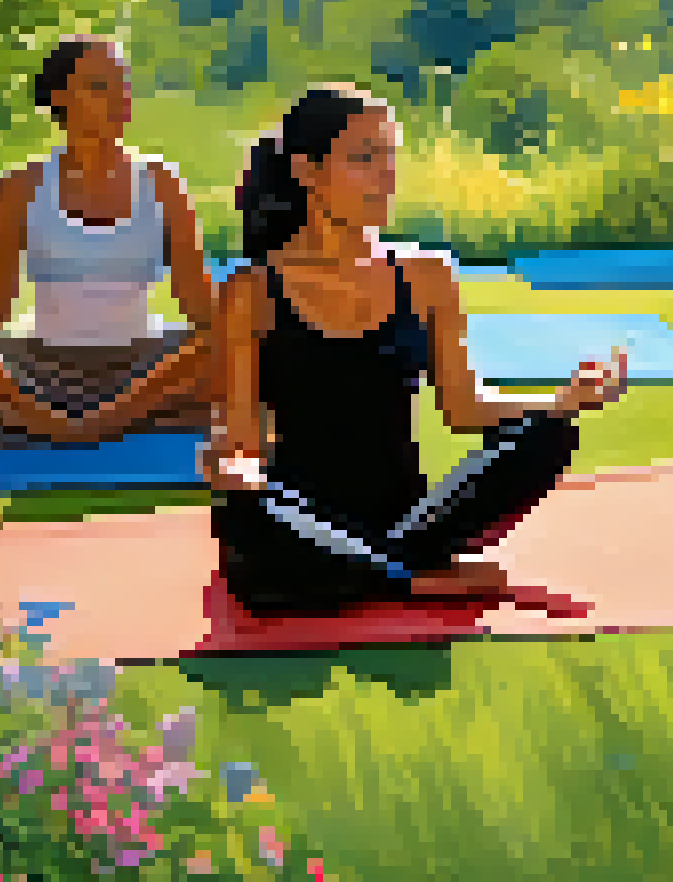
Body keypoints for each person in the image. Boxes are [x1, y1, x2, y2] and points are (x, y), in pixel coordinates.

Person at [210, 87, 632, 616]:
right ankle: (409, 576)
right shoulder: (253, 288)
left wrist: (562, 400)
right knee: (247, 511)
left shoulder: (426, 274)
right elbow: (243, 436)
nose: (385, 175)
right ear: (307, 171)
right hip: (303, 516)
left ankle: (369, 570)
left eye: (390, 156)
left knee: (548, 435)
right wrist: (233, 466)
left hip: (410, 517)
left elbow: (463, 407)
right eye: (364, 158)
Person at [0, 36, 220, 449]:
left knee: (233, 342)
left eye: (123, 86)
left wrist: (254, 309)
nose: (120, 99)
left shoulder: (163, 182)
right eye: (100, 87)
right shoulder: (18, 188)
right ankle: (94, 424)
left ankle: (66, 428)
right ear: (60, 97)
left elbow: (200, 309)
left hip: (149, 372)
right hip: (41, 372)